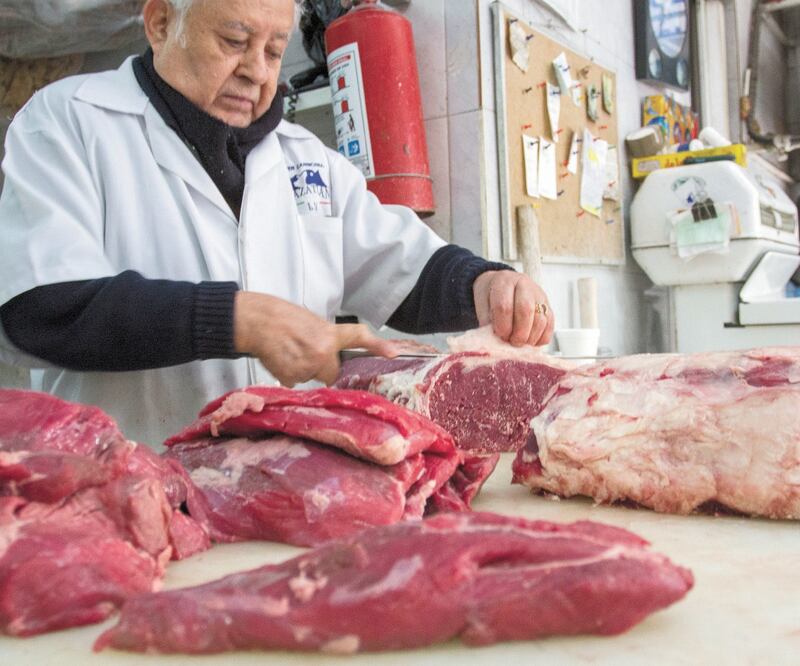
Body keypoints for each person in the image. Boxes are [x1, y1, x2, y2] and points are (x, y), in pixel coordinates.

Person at [0, 0, 554, 445]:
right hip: (124, 493)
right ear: (161, 23)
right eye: (233, 42)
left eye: (273, 49)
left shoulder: (307, 158)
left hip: (280, 495)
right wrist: (238, 319)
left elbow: (403, 266)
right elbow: (42, 307)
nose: (257, 71)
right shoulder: (69, 120)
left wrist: (484, 283)